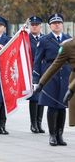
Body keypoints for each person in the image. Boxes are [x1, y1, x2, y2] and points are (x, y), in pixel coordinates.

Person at [33, 13, 71, 146]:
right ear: (50, 26)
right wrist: (36, 79)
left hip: (65, 74)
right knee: (52, 106)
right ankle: (52, 135)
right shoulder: (44, 40)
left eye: (59, 23)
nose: (57, 25)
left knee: (62, 106)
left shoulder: (68, 39)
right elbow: (37, 61)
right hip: (50, 75)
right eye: (54, 23)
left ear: (62, 24)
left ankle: (60, 135)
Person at [27, 16, 45, 133]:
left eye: (36, 24)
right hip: (31, 70)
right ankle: (33, 123)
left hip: (43, 70)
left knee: (42, 97)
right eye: (32, 24)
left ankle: (39, 123)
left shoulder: (44, 39)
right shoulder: (25, 39)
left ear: (40, 26)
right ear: (29, 26)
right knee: (34, 98)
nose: (34, 26)